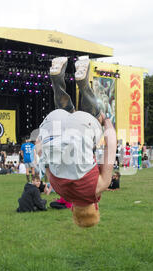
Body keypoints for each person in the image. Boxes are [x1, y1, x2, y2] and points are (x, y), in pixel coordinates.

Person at [36, 56, 117, 228]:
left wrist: (107, 123)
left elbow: (111, 149)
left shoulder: (99, 187)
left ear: (96, 206)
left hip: (81, 131)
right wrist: (41, 137)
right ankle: (57, 79)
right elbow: (43, 156)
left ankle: (83, 83)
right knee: (64, 112)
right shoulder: (58, 189)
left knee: (94, 116)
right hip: (53, 129)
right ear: (72, 209)